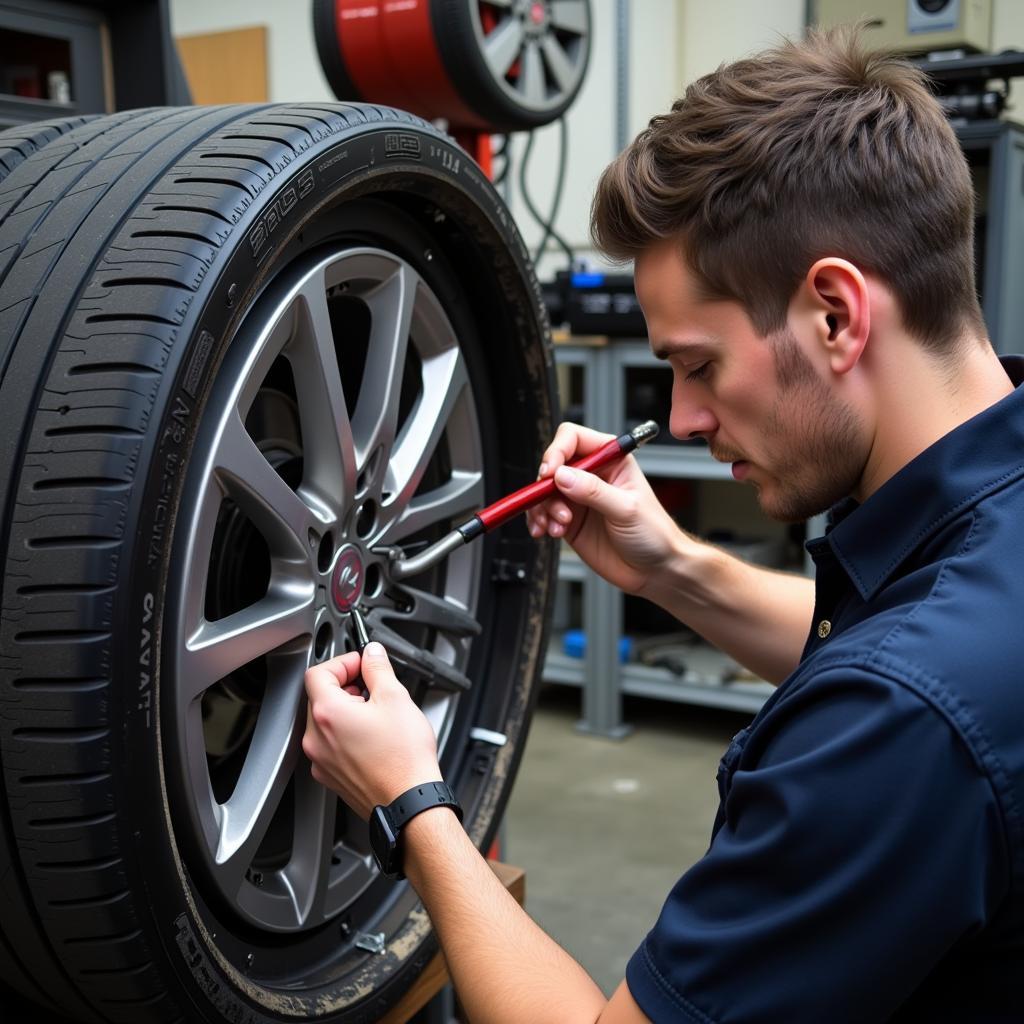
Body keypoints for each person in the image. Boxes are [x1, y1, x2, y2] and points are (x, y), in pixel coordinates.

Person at [302, 25, 1024, 1023]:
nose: (680, 419)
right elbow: (888, 648)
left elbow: (903, 696)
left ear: (834, 314)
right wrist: (674, 567)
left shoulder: (900, 725)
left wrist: (411, 804)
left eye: (696, 365)